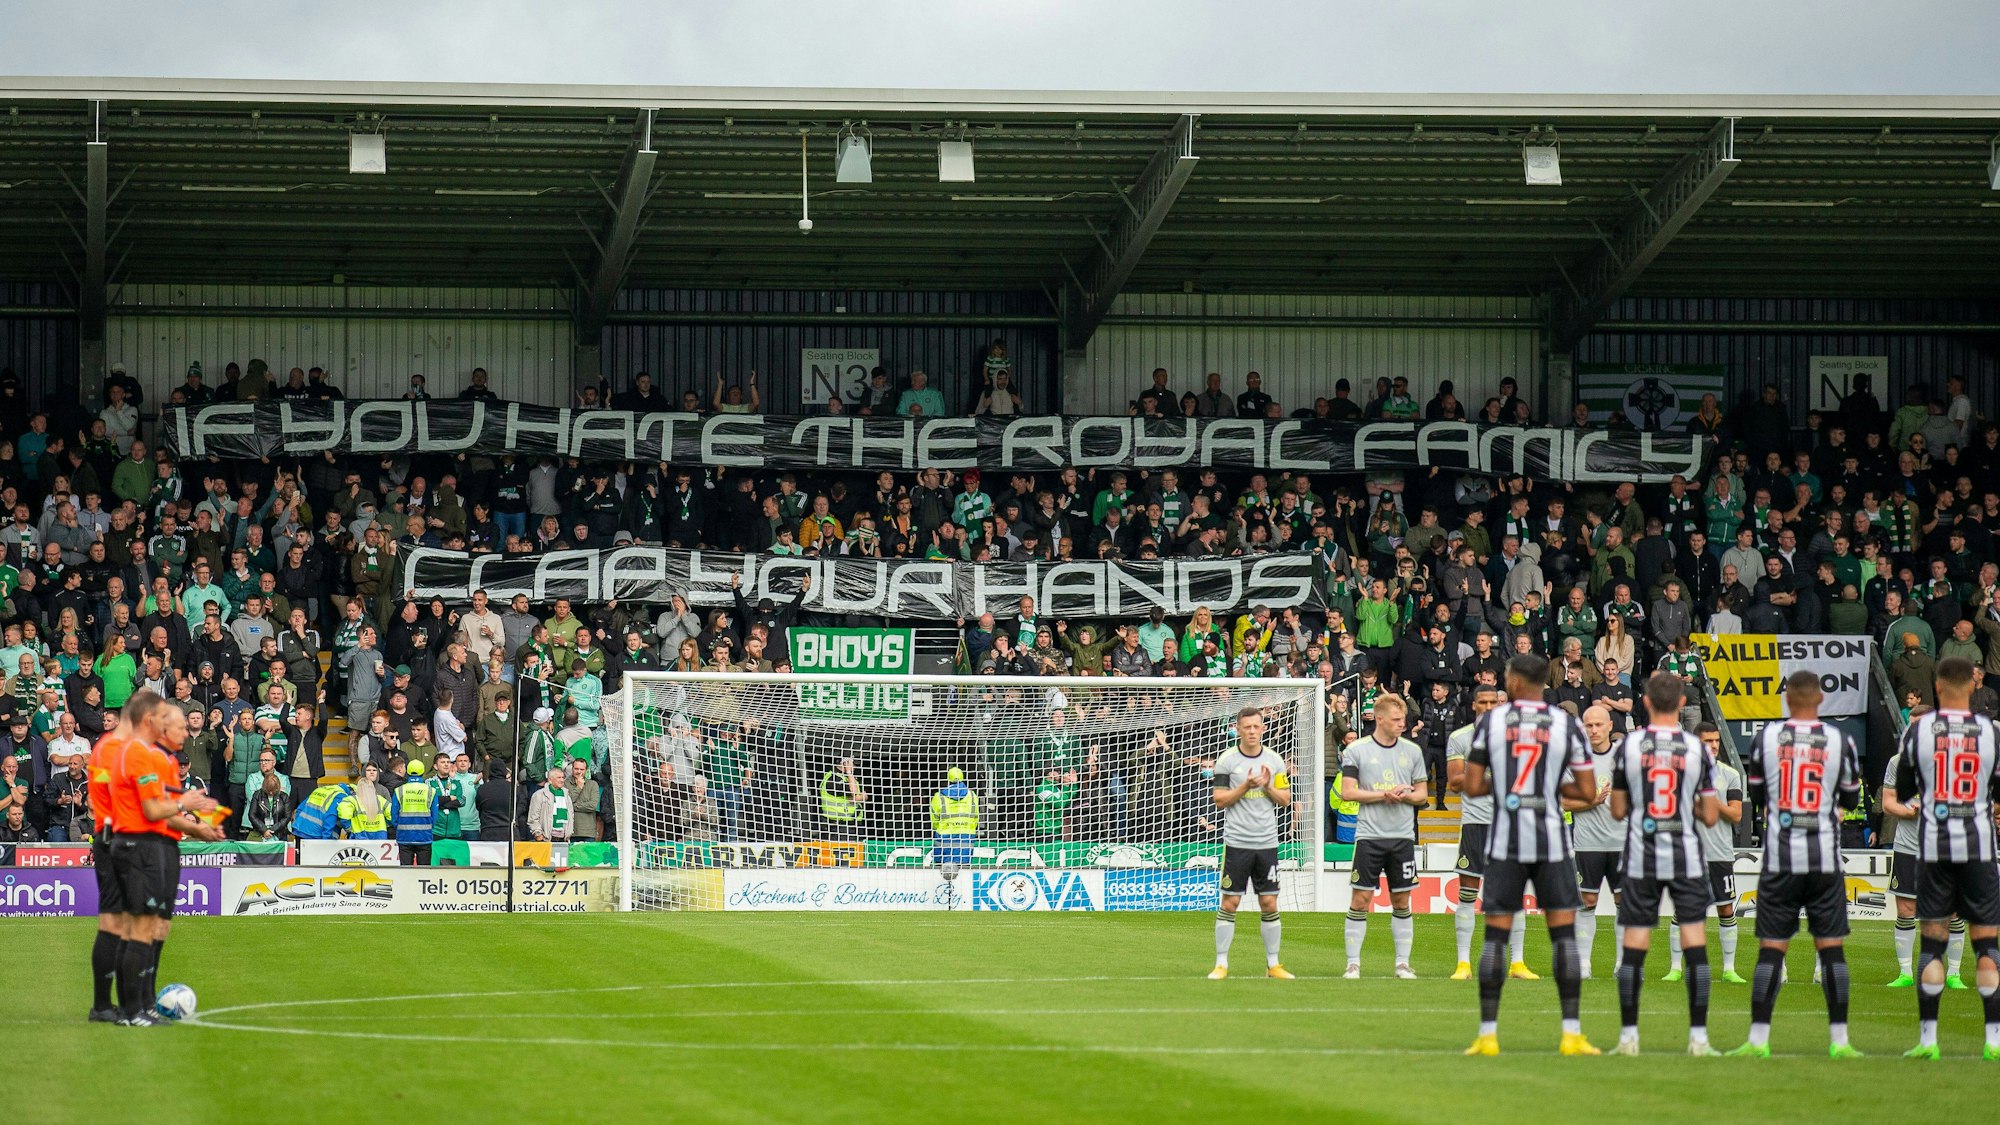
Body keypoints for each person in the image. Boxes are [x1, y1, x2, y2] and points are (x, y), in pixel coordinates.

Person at [1460, 654, 1599, 1057]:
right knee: (1563, 937)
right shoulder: (1566, 724)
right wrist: (1549, 792)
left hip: (1506, 841)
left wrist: (1508, 790)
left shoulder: (1491, 722)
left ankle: (1487, 1035)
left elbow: (1471, 785)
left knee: (1495, 938)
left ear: (1516, 683)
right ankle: (1571, 1033)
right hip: (1553, 841)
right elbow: (1588, 792)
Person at [1728, 672, 1867, 1058]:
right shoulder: (1841, 740)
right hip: (1824, 857)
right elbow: (1852, 800)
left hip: (1781, 858)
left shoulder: (1766, 739)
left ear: (1786, 698)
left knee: (1771, 950)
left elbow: (1758, 795)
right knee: (1832, 950)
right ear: (1821, 699)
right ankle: (1840, 1041)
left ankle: (1758, 1039)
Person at [1887, 656, 2000, 1060]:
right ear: (1973, 685)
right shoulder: (1991, 730)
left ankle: (1929, 1040)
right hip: (1981, 849)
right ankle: (1994, 1041)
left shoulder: (1918, 735)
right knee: (1987, 946)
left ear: (1937, 686)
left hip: (1935, 850)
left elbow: (1901, 792)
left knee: (1931, 946)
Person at [1606, 672, 1721, 1056]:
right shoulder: (1697, 750)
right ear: (1683, 704)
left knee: (1636, 942)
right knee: (1695, 942)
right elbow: (1708, 815)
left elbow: (1618, 809)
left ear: (1647, 703)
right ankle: (1699, 1039)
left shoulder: (1630, 745)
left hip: (1642, 855)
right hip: (1686, 856)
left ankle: (1628, 1038)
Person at [108, 693, 223, 1025]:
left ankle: (144, 1002)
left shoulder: (164, 760)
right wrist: (185, 804)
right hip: (136, 845)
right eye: (178, 726)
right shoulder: (141, 755)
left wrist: (196, 828)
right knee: (140, 928)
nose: (185, 732)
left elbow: (164, 811)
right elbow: (152, 809)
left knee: (156, 927)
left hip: (156, 844)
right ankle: (132, 1010)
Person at [1444, 684, 1529, 981]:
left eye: (1495, 702)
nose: (1490, 706)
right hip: (1475, 823)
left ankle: (1517, 963)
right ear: (1474, 705)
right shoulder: (1461, 737)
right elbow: (1454, 782)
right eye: (1484, 702)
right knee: (1468, 894)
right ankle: (1463, 963)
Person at [1339, 693, 1426, 979]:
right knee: (1360, 899)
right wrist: (1383, 794)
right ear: (1380, 719)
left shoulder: (1412, 751)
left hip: (1402, 837)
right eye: (1397, 719)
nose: (1403, 724)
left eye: (1403, 719)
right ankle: (1353, 963)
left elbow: (1423, 794)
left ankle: (1402, 963)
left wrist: (1406, 794)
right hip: (1369, 837)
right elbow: (1348, 792)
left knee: (1402, 901)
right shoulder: (1357, 750)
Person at [1209, 706, 1295, 980]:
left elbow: (1285, 799)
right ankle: (1221, 963)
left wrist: (1268, 786)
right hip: (1237, 843)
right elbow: (1219, 799)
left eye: (1256, 726)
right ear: (1238, 728)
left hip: (1267, 843)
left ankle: (1274, 965)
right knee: (1230, 902)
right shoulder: (1226, 760)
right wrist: (1245, 786)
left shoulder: (1274, 760)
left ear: (1263, 728)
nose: (1252, 731)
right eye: (1246, 727)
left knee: (1269, 902)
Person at [1662, 722, 1746, 985]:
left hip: (1720, 853)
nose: (1712, 746)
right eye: (1707, 741)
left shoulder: (1730, 774)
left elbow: (1736, 814)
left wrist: (1709, 802)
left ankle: (1729, 969)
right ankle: (1675, 967)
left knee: (1725, 910)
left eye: (1716, 741)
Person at [929, 766, 978, 897]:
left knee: (943, 869)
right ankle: (963, 899)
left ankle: (944, 897)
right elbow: (976, 817)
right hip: (966, 837)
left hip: (944, 837)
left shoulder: (939, 797)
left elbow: (934, 819)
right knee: (964, 869)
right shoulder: (972, 796)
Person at [393, 757, 437, 864]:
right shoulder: (431, 791)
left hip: (404, 837)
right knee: (424, 872)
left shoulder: (399, 790)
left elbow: (394, 815)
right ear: (423, 772)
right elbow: (434, 816)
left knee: (405, 871)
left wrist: (399, 827)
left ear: (407, 771)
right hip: (424, 836)